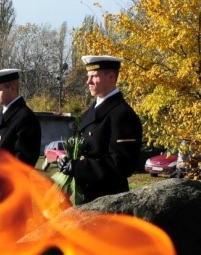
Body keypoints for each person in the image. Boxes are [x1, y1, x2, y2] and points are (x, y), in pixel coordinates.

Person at [57, 55, 142, 202]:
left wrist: (78, 167)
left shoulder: (122, 115)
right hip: (88, 198)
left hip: (108, 201)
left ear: (110, 77)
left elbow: (121, 164)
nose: (88, 81)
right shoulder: (91, 111)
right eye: (88, 76)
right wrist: (68, 161)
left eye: (94, 76)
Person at [0, 68, 41, 201]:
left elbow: (23, 163)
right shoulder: (0, 118)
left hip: (13, 196)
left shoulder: (25, 118)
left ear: (12, 89)